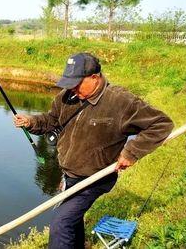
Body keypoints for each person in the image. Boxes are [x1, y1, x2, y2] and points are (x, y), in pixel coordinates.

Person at [13, 52, 174, 249]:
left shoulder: (120, 100)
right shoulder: (67, 97)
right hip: (70, 175)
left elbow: (161, 124)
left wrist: (131, 153)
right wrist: (31, 122)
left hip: (96, 178)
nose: (72, 89)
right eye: (69, 83)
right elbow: (51, 120)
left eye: (77, 83)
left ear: (94, 78)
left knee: (60, 223)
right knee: (72, 217)